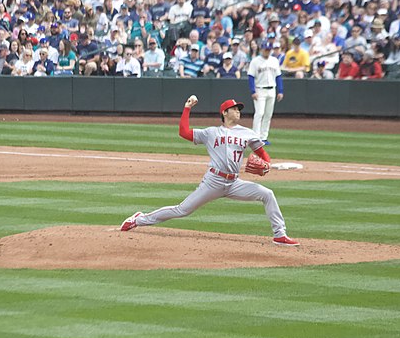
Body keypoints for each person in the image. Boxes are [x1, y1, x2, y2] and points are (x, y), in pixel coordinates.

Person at [120, 96, 298, 246]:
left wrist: (266, 164)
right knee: (182, 210)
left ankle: (279, 235)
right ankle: (138, 219)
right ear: (224, 113)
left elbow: (262, 154)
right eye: (234, 109)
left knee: (267, 194)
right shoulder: (211, 132)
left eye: (238, 109)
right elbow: (184, 132)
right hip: (213, 181)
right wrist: (187, 108)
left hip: (234, 183)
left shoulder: (248, 133)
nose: (238, 111)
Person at [247, 44, 283, 145]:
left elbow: (278, 76)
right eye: (265, 49)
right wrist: (252, 91)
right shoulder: (255, 61)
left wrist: (280, 91)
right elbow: (251, 76)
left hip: (272, 89)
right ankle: (255, 137)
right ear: (262, 49)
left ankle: (264, 137)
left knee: (268, 114)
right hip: (260, 89)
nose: (267, 51)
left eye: (268, 50)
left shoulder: (274, 60)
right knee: (259, 113)